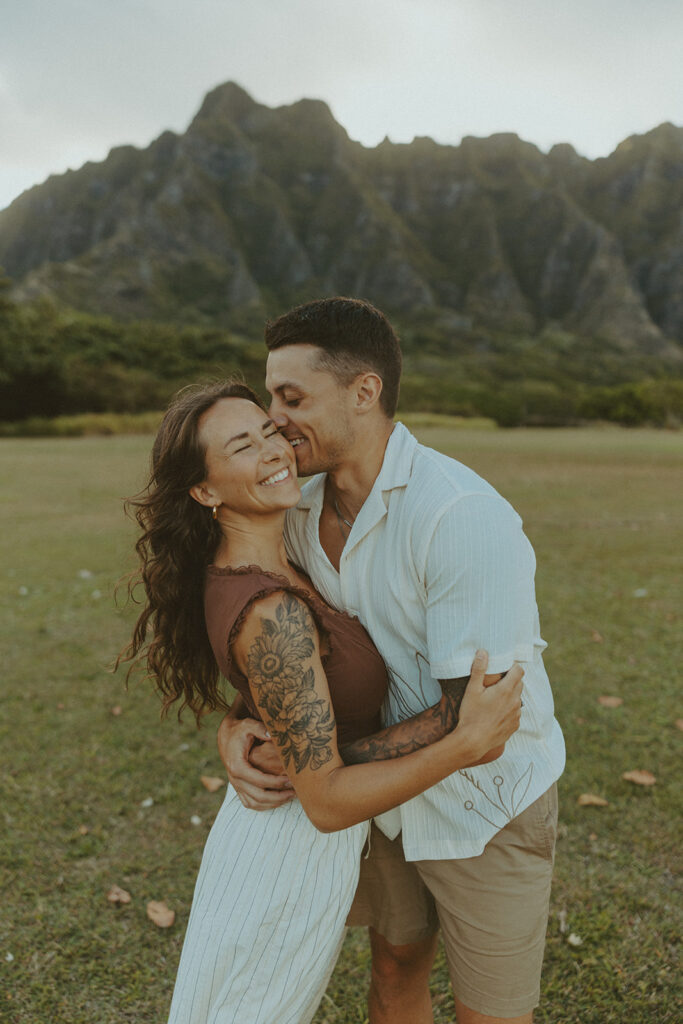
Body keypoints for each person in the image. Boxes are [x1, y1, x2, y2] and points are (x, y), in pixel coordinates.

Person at [121, 379, 524, 1024]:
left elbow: (285, 689)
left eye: (270, 430)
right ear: (205, 491)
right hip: (288, 853)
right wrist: (464, 744)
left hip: (287, 834)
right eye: (242, 446)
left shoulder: (278, 558)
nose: (274, 449)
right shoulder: (272, 606)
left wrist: (237, 723)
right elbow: (328, 800)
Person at [219, 297, 566, 1024]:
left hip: (486, 805)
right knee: (394, 962)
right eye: (268, 397)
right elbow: (289, 647)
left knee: (490, 1015)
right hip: (380, 805)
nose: (274, 419)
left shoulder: (458, 514)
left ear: (364, 392)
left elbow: (472, 720)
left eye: (291, 397)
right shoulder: (300, 510)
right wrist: (242, 724)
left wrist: (316, 760)